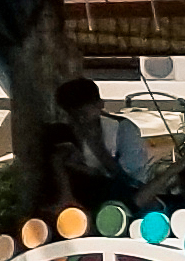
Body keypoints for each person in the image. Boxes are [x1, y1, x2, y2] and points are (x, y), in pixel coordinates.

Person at [54, 78, 149, 210]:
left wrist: (98, 148)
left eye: (84, 114)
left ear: (100, 104)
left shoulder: (123, 129)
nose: (81, 121)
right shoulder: (64, 133)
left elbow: (132, 180)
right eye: (74, 116)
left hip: (124, 202)